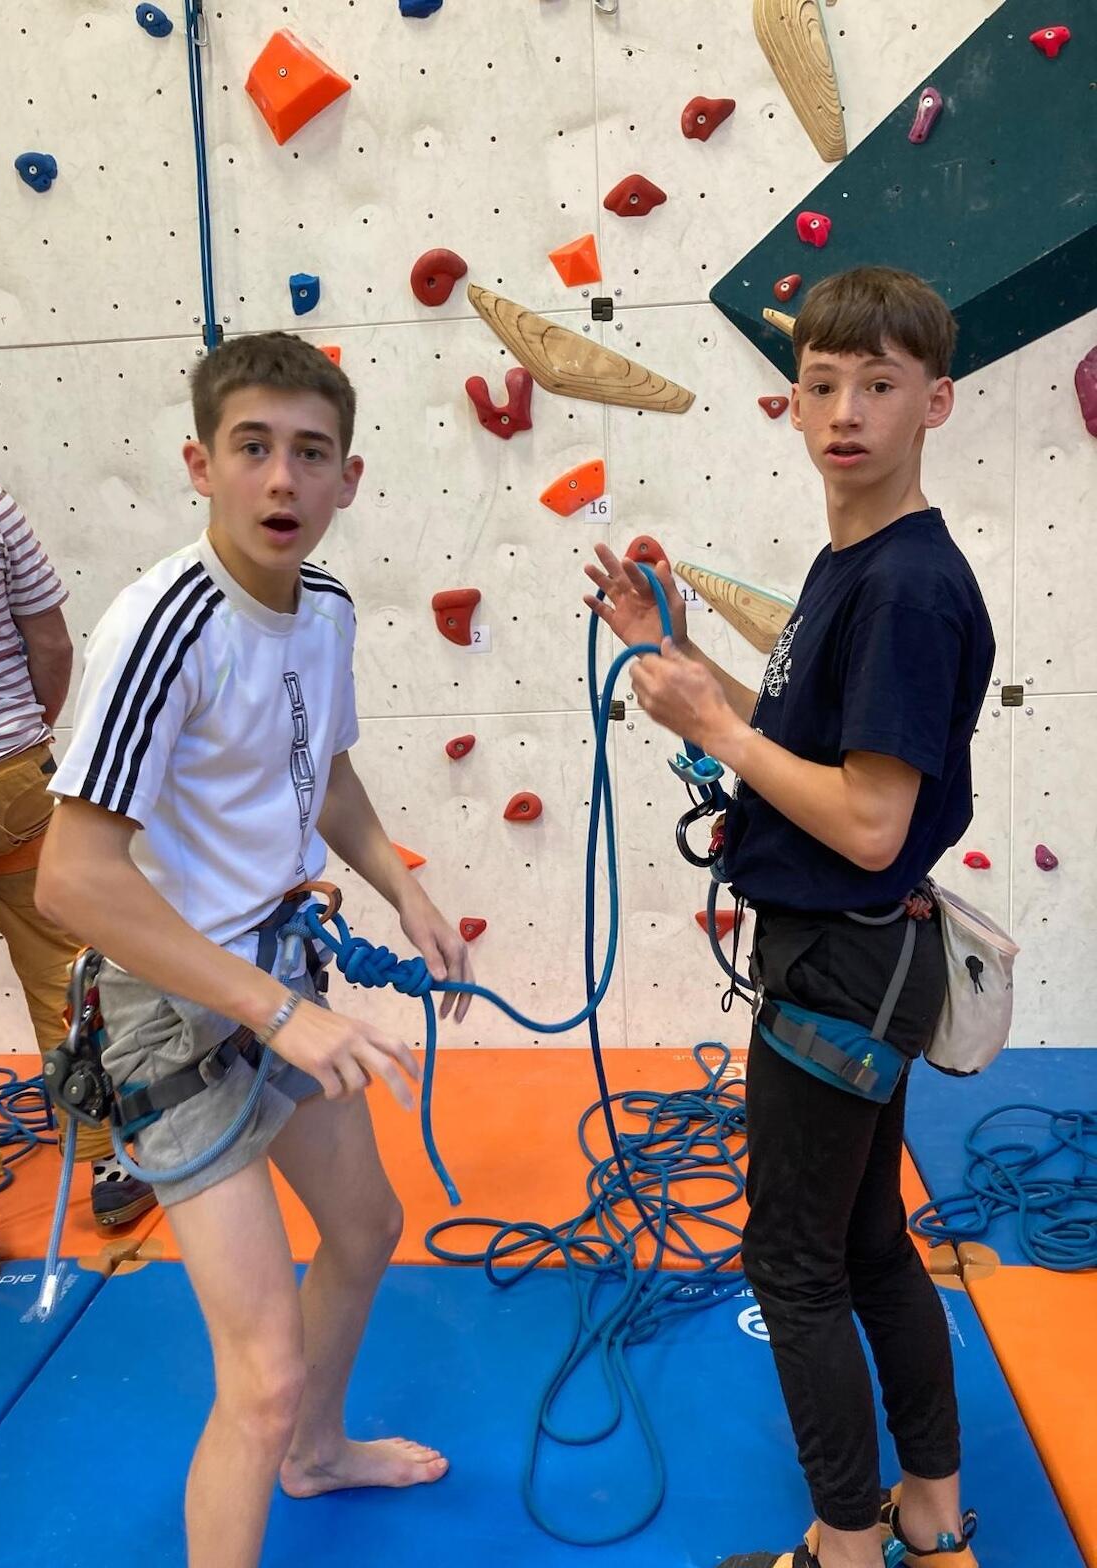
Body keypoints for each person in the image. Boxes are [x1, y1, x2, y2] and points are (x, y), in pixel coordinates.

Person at [35, 331, 473, 1568]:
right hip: (170, 1004)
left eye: (311, 453)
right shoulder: (163, 627)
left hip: (279, 972)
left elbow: (320, 768)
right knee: (260, 1375)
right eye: (253, 448)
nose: (283, 479)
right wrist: (281, 1013)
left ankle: (317, 1453)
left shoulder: (322, 606)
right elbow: (73, 876)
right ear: (202, 465)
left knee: (366, 1226)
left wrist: (404, 887)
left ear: (349, 479)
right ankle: (289, 1433)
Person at [585, 266, 993, 1568]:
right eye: (823, 384)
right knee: (867, 1243)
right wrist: (686, 660)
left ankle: (845, 1547)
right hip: (863, 956)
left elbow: (869, 821)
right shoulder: (854, 564)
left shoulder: (906, 586)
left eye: (879, 384)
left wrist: (711, 726)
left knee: (796, 1264)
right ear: (793, 403)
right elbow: (810, 749)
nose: (847, 411)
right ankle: (929, 1511)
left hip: (842, 962)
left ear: (935, 402)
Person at [0, 460, 155, 1288]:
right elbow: (51, 642)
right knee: (64, 970)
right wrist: (26, 729)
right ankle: (110, 1169)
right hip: (7, 775)